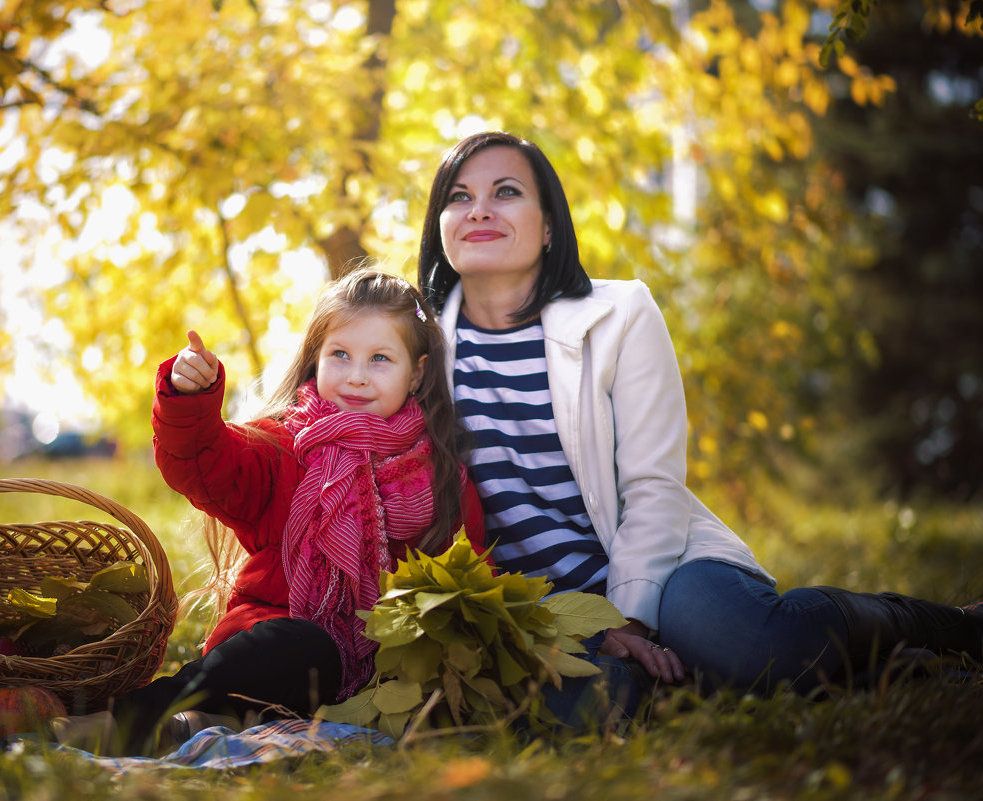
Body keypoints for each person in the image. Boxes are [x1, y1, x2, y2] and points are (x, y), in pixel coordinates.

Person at [416, 130, 983, 708]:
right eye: (458, 197)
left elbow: (653, 487)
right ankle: (898, 672)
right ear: (440, 225)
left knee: (738, 641)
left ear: (550, 226)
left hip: (666, 566)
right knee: (613, 702)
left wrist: (630, 622)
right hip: (541, 614)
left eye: (505, 191)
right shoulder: (412, 347)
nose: (479, 209)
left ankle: (942, 626)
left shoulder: (621, 314)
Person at [56, 269, 487, 755]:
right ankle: (127, 715)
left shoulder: (439, 478)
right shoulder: (284, 446)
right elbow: (207, 466)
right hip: (276, 646)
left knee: (411, 673)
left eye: (381, 359)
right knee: (300, 645)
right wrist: (191, 400)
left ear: (418, 373)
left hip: (384, 670)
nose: (357, 375)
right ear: (315, 359)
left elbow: (468, 578)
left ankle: (210, 721)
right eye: (340, 355)